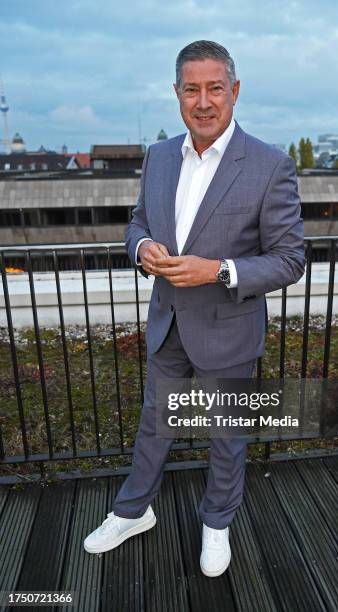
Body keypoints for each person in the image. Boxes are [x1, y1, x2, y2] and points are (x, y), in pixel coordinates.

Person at [84, 40, 305, 577]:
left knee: (227, 436)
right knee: (154, 425)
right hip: (168, 324)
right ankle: (133, 512)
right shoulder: (159, 157)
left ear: (234, 91)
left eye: (214, 88)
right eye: (191, 89)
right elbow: (137, 222)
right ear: (176, 94)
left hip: (229, 330)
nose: (203, 101)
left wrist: (221, 271)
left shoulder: (271, 164)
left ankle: (216, 524)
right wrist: (142, 248)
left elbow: (290, 259)